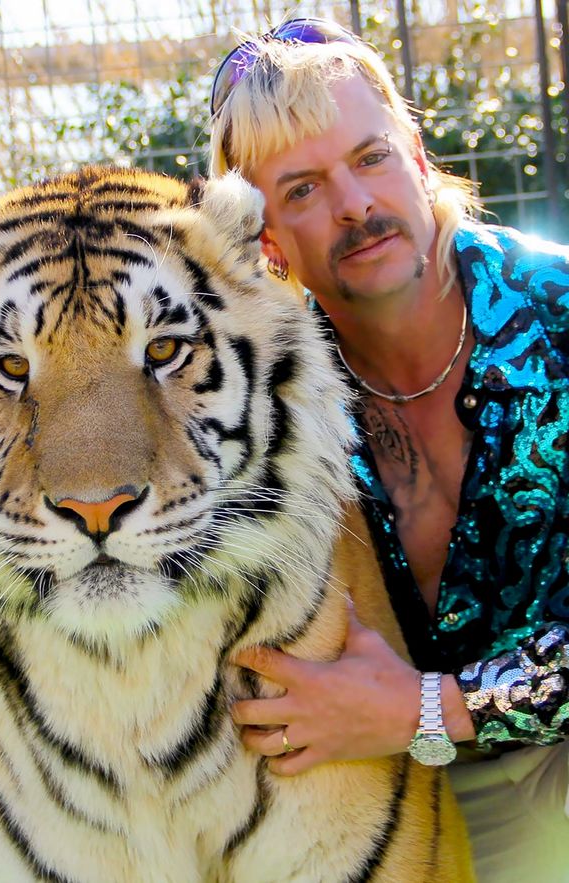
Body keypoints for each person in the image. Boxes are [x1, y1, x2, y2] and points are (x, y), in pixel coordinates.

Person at [208, 18, 569, 881]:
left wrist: (434, 706)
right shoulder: (262, 396)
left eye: (369, 158)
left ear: (413, 147)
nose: (355, 207)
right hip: (375, 779)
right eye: (301, 190)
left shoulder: (559, 315)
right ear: (263, 237)